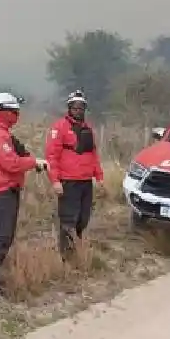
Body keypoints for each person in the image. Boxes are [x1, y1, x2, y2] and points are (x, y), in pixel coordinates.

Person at [0, 92, 45, 301]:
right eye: (14, 110)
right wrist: (33, 163)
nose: (17, 114)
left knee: (4, 240)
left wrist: (31, 161)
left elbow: (17, 158)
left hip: (9, 191)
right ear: (5, 112)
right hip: (2, 193)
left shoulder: (4, 134)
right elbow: (11, 163)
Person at [45, 89, 104, 259]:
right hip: (68, 181)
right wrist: (55, 181)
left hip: (86, 181)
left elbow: (93, 154)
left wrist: (99, 176)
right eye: (75, 107)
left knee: (83, 219)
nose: (78, 111)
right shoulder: (59, 127)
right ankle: (66, 256)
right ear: (69, 108)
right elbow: (52, 156)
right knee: (68, 220)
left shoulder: (88, 128)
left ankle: (76, 247)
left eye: (81, 108)